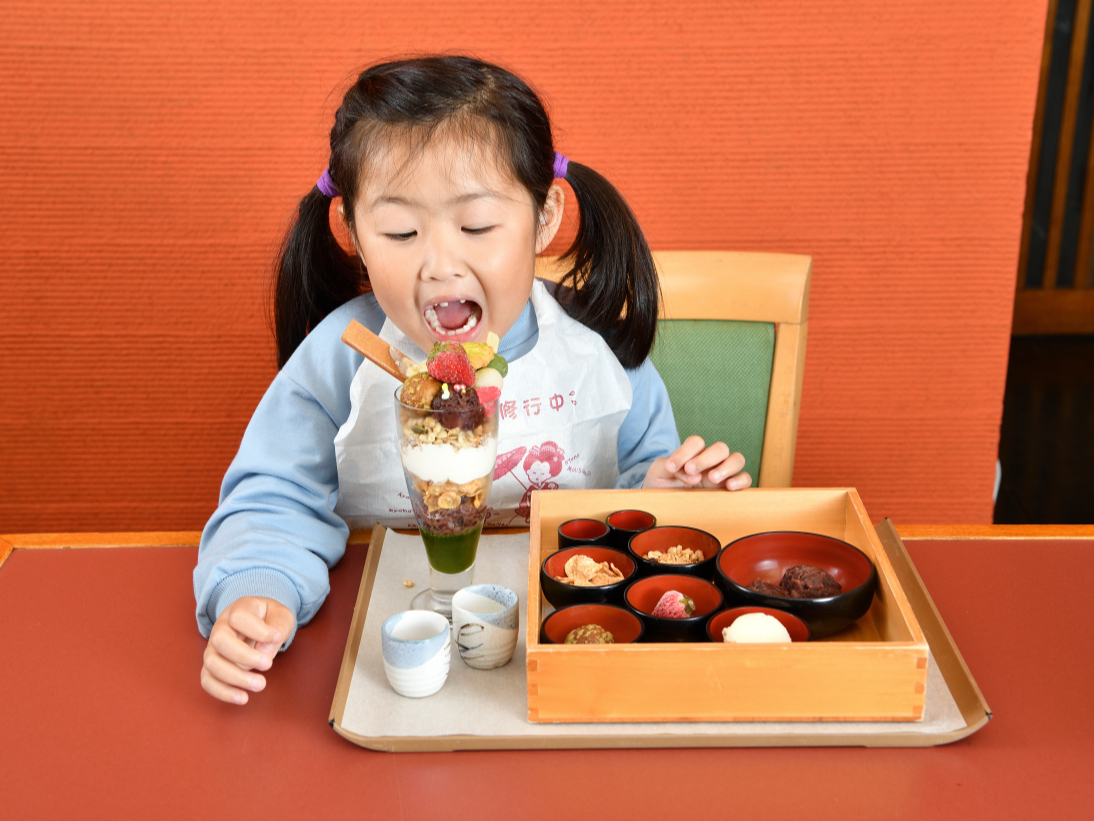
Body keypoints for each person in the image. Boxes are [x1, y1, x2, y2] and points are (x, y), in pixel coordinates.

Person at [195, 55, 752, 705]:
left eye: (478, 226)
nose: (440, 264)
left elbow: (637, 495)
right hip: (380, 643)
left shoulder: (593, 351)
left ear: (544, 217)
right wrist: (259, 589)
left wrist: (667, 492)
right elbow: (273, 498)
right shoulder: (342, 357)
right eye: (401, 230)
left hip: (563, 646)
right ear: (351, 230)